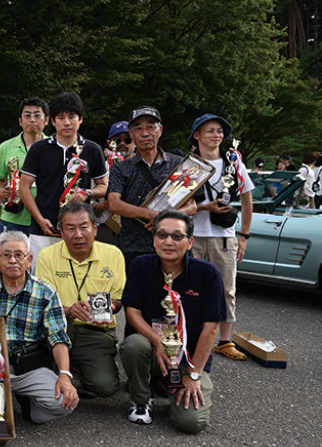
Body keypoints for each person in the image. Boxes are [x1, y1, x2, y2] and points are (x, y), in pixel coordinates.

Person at [0, 231, 78, 424]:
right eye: (6, 255)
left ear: (29, 260)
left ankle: (28, 408)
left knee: (64, 402)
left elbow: (58, 337)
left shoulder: (46, 292)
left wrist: (64, 376)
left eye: (19, 255)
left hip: (29, 367)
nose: (13, 260)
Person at [118, 210, 223, 434]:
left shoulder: (208, 274)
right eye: (162, 235)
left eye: (177, 236)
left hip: (188, 358)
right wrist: (158, 342)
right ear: (153, 238)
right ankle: (141, 398)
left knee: (191, 423)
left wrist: (194, 375)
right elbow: (132, 312)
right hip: (153, 350)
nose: (168, 242)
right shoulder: (140, 265)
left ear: (190, 241)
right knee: (133, 345)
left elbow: (211, 328)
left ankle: (172, 385)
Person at [34, 201, 126, 398]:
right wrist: (68, 310)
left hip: (96, 331)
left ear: (94, 228)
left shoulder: (114, 254)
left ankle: (80, 369)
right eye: (70, 228)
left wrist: (109, 306)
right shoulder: (47, 256)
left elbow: (118, 300)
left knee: (105, 387)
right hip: (58, 328)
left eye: (84, 227)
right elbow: (43, 303)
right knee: (41, 382)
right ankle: (63, 369)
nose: (78, 235)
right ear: (61, 231)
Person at [188, 114, 253, 361]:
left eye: (219, 131)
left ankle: (224, 341)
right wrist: (205, 207)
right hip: (191, 234)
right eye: (209, 131)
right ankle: (189, 335)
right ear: (197, 135)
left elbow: (247, 200)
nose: (216, 135)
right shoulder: (189, 164)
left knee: (227, 289)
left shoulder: (233, 163)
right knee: (189, 288)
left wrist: (244, 235)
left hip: (224, 236)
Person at [19, 92, 108, 260]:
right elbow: (24, 187)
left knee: (78, 279)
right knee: (42, 281)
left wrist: (87, 193)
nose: (66, 122)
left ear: (80, 119)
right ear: (52, 121)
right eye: (60, 118)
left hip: (80, 231)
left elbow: (103, 186)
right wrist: (39, 219)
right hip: (43, 228)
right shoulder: (39, 149)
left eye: (72, 117)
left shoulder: (92, 149)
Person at [107, 106, 197, 269]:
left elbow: (192, 206)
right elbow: (113, 203)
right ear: (131, 134)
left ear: (160, 130)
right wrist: (149, 214)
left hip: (174, 245)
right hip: (133, 247)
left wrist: (163, 218)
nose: (145, 133)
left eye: (150, 126)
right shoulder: (121, 168)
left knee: (175, 293)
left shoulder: (178, 164)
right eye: (138, 128)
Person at [0, 98, 48, 235]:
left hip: (45, 218)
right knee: (10, 256)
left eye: (37, 115)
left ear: (46, 120)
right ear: (20, 121)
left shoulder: (55, 147)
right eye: (27, 115)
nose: (32, 119)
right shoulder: (5, 147)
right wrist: (2, 192)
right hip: (13, 218)